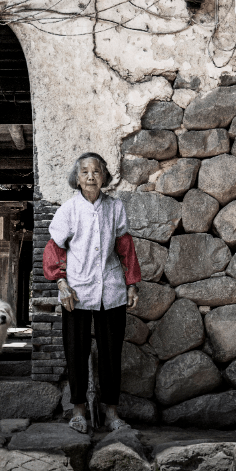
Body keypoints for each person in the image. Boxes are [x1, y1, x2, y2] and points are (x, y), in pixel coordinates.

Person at [44, 152, 141, 433]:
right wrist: (61, 284)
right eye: (84, 171)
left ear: (105, 177)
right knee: (76, 351)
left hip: (110, 290)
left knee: (112, 353)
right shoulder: (68, 210)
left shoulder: (115, 208)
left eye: (96, 171)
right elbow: (54, 249)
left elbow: (125, 247)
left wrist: (131, 283)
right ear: (76, 177)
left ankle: (111, 413)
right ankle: (78, 411)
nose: (90, 176)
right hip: (76, 291)